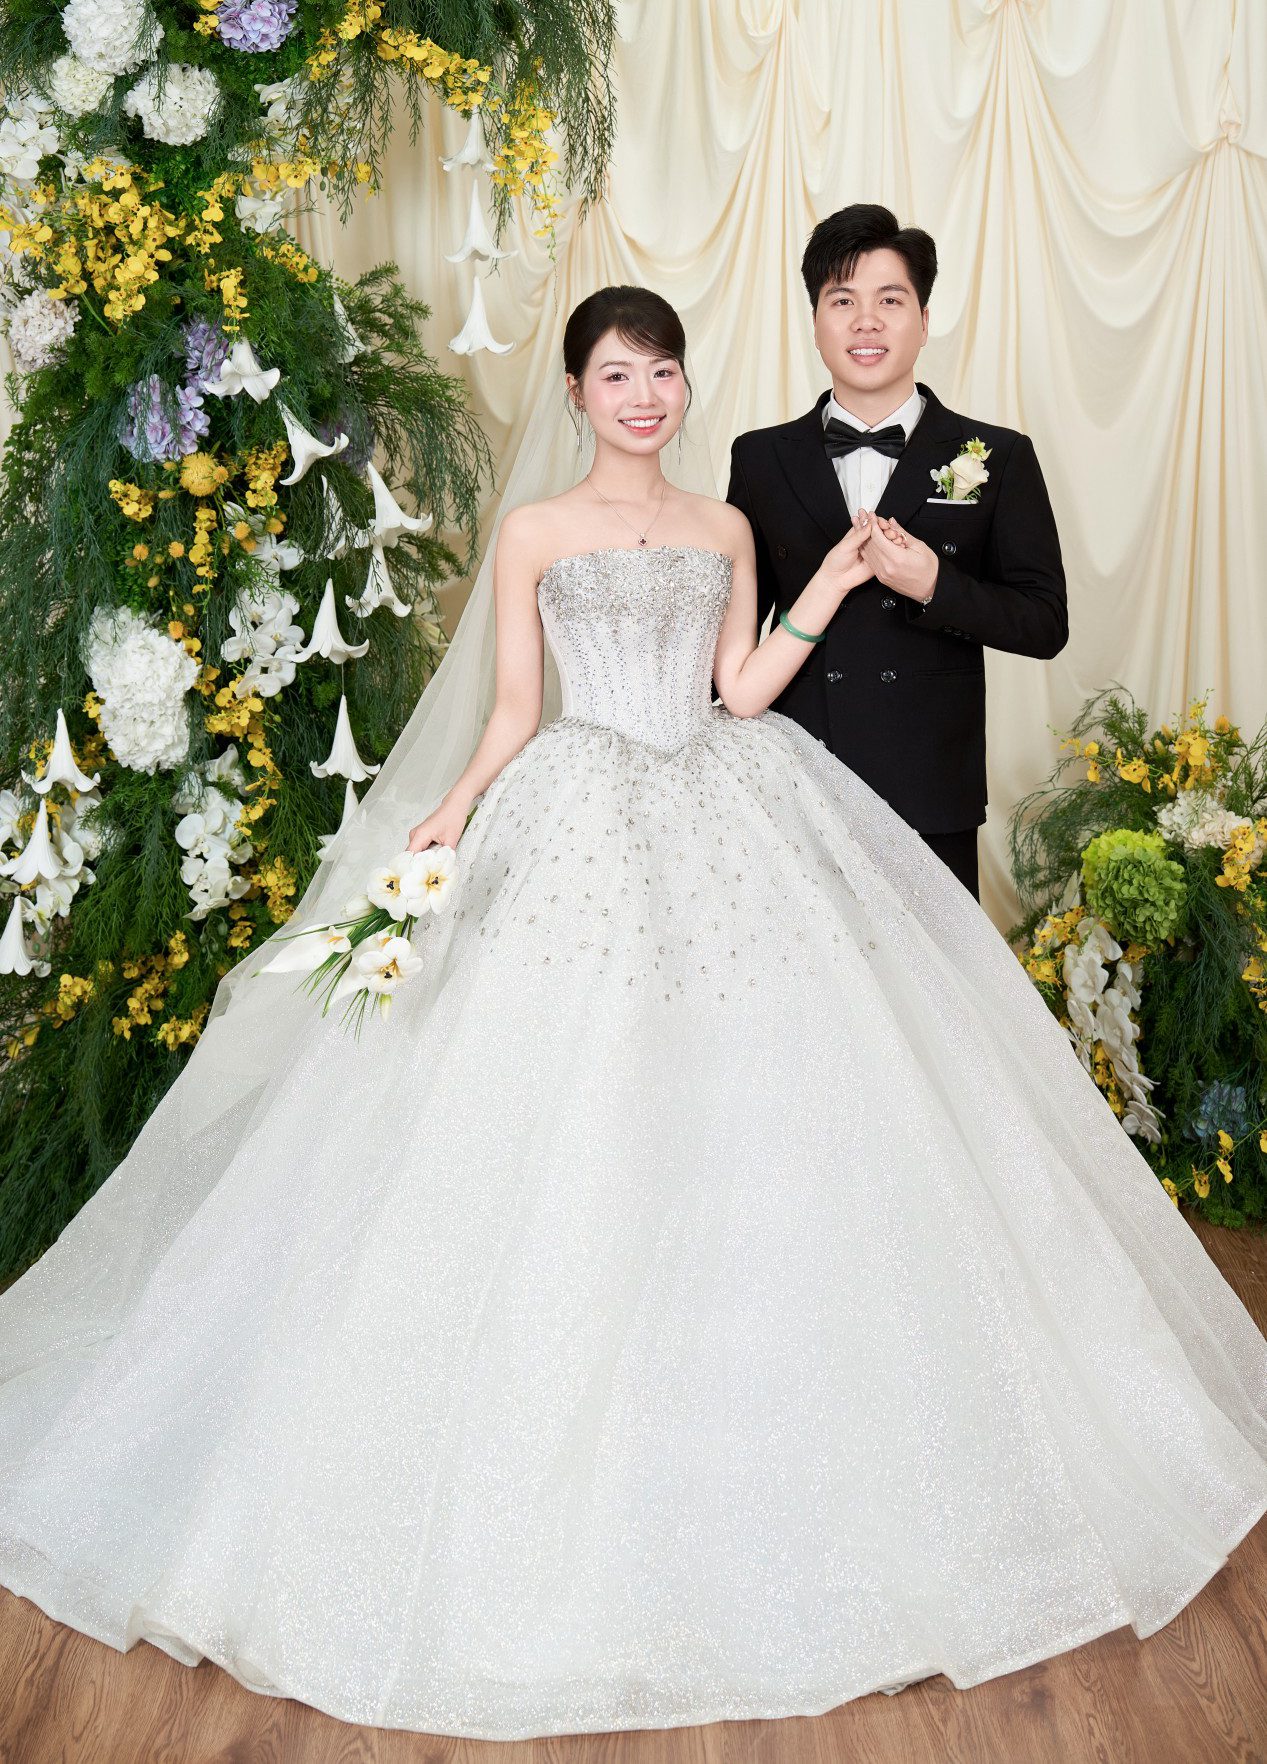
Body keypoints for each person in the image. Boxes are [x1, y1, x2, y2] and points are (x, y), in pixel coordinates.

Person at [0, 286, 1264, 1743]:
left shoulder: (725, 524)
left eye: (663, 372)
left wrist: (829, 583)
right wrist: (449, 819)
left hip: (724, 798)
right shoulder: (536, 532)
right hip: (578, 805)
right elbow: (512, 711)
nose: (646, 397)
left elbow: (742, 691)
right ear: (578, 390)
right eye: (618, 375)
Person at [727, 203, 1068, 900]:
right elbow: (729, 632)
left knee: (938, 970)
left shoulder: (997, 455)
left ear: (923, 318)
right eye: (842, 300)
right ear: (815, 321)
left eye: (889, 300)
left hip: (929, 786)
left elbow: (1044, 624)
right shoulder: (760, 458)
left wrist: (935, 585)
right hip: (794, 779)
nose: (866, 321)